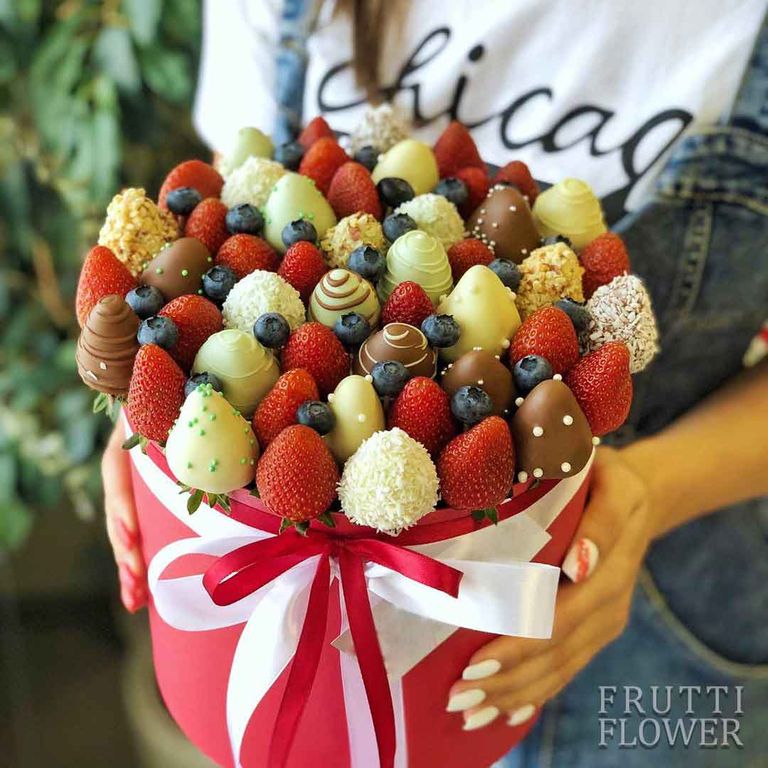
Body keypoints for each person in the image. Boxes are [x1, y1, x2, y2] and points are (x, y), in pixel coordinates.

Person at [103, 1, 768, 764]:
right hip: (282, 623)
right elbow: (230, 207)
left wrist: (654, 489)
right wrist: (157, 399)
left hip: (670, 629)